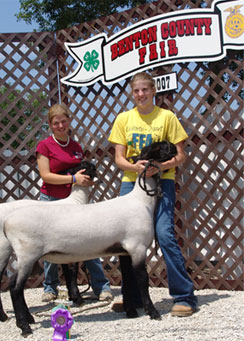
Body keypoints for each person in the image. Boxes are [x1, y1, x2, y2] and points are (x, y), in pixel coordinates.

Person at [108, 71, 197, 317]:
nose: (141, 95)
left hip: (162, 183)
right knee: (126, 244)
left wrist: (158, 167)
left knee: (164, 234)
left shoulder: (167, 117)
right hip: (131, 185)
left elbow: (180, 156)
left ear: (153, 91)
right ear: (132, 93)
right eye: (136, 91)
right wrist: (135, 168)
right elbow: (119, 158)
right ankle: (132, 298)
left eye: (145, 90)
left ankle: (184, 296)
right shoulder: (123, 119)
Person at [36, 103, 113, 302]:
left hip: (76, 201)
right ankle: (50, 287)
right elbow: (46, 176)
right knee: (51, 246)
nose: (61, 125)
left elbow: (80, 172)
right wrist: (73, 180)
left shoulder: (76, 146)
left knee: (88, 242)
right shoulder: (44, 146)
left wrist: (85, 180)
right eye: (56, 123)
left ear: (69, 121)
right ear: (50, 125)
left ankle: (101, 286)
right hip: (52, 200)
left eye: (64, 121)